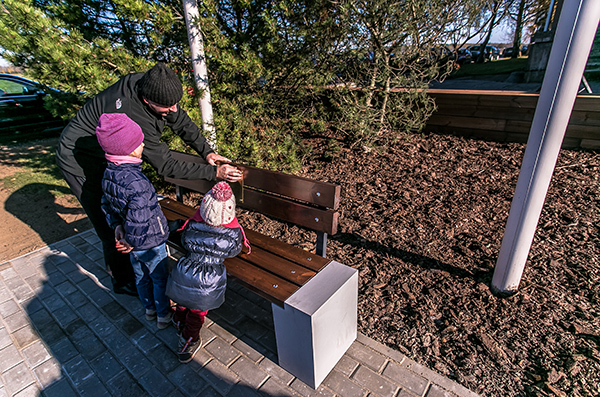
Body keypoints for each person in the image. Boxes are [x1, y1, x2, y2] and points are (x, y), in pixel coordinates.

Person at [56, 62, 242, 296]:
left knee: (127, 207)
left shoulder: (154, 84)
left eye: (176, 103)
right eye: (166, 107)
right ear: (147, 101)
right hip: (80, 158)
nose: (173, 110)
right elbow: (166, 165)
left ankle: (132, 255)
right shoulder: (133, 116)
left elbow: (180, 120)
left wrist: (206, 151)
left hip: (111, 155)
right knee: (108, 220)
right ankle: (123, 280)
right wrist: (214, 173)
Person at [97, 113, 173, 328]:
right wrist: (131, 240)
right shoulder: (136, 182)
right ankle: (163, 315)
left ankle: (149, 309)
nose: (142, 145)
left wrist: (117, 226)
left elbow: (106, 203)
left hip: (131, 242)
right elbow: (139, 220)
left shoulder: (109, 173)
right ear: (130, 149)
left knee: (140, 277)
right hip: (149, 242)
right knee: (159, 278)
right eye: (139, 142)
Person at [166, 181, 250, 363]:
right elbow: (235, 250)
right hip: (207, 280)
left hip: (185, 271)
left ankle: (178, 321)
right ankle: (188, 340)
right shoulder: (232, 235)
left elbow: (185, 240)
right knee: (197, 313)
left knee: (182, 300)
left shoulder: (192, 227)